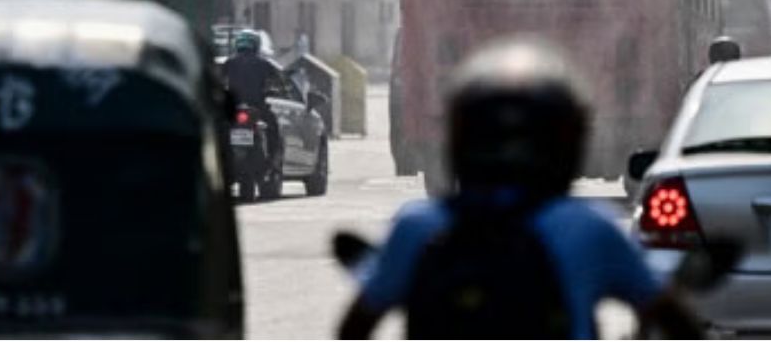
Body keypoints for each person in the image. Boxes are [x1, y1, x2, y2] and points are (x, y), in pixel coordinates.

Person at [338, 37, 702, 340]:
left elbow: (355, 328)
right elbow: (676, 322)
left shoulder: (417, 226)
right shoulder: (589, 227)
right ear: (567, 142)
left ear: (460, 139)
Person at [223, 29, 280, 160]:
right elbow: (278, 82)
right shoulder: (264, 64)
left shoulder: (229, 62)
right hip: (257, 106)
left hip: (233, 107)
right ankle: (273, 158)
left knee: (219, 127)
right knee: (273, 127)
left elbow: (218, 79)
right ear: (256, 45)